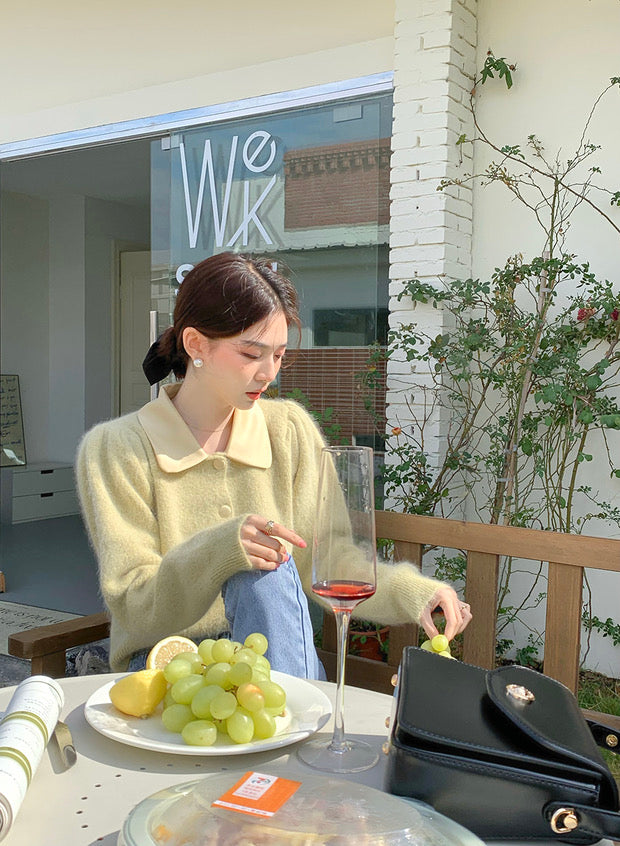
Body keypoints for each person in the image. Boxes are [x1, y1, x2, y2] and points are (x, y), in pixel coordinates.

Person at [76, 252, 472, 677]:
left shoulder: (288, 430)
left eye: (279, 356)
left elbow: (329, 559)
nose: (268, 373)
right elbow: (135, 604)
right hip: (168, 664)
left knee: (271, 567)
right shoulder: (115, 448)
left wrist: (413, 592)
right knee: (259, 562)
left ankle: (297, 727)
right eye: (251, 354)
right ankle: (304, 732)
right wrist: (221, 551)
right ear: (195, 345)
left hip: (277, 655)